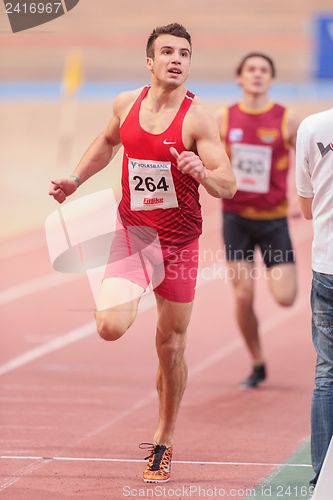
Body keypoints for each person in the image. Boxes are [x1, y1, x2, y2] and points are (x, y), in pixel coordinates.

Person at [49, 23, 236, 483]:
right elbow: (110, 141)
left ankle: (164, 439)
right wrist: (75, 179)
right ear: (149, 62)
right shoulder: (125, 103)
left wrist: (202, 172)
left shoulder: (198, 121)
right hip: (135, 236)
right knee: (110, 327)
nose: (177, 59)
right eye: (168, 52)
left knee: (170, 346)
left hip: (179, 245)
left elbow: (228, 184)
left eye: (185, 53)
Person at [217, 53, 299, 388]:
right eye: (251, 69)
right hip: (236, 218)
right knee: (242, 295)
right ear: (239, 77)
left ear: (271, 78)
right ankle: (257, 362)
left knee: (285, 297)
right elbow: (210, 158)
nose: (257, 75)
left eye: (264, 70)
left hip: (274, 221)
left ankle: (273, 278)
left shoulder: (286, 119)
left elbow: (310, 156)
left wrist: (301, 195)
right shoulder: (224, 118)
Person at [295, 107, 333, 493]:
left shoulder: (313, 126)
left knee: (328, 373)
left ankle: (324, 477)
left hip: (329, 266)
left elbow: (305, 207)